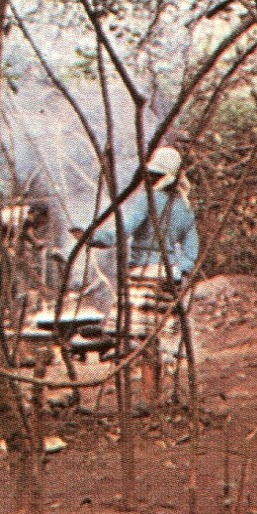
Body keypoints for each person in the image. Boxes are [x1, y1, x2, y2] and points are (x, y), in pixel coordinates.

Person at [90, 146, 200, 404]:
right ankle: (151, 397)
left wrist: (95, 238)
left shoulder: (148, 200)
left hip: (144, 276)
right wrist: (177, 270)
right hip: (167, 278)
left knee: (132, 337)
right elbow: (191, 251)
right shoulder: (184, 208)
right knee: (151, 339)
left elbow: (123, 229)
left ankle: (141, 399)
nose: (149, 179)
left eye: (154, 175)